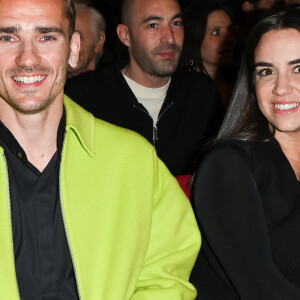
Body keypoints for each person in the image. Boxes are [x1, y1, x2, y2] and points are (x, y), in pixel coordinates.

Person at [0, 0, 201, 299]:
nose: (27, 58)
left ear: (74, 49)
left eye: (47, 37)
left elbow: (166, 278)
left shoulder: (136, 161)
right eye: (7, 37)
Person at [191, 5, 300, 299]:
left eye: (298, 68)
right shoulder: (228, 165)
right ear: (252, 83)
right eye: (266, 71)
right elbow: (262, 290)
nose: (281, 87)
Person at [65, 0, 224, 177]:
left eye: (176, 23)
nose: (170, 37)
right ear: (125, 35)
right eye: (153, 25)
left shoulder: (201, 94)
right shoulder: (87, 97)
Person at [179, 1, 238, 107]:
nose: (229, 39)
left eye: (231, 31)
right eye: (216, 32)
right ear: (194, 38)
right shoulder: (182, 93)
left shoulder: (237, 87)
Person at [67, 3, 106, 78]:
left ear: (99, 41)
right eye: (63, 36)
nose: (67, 45)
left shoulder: (111, 86)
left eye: (75, 37)